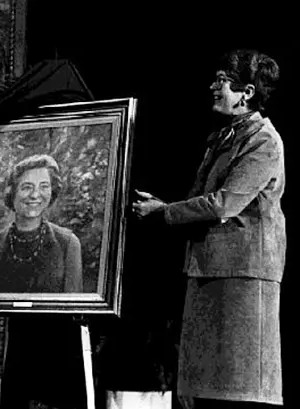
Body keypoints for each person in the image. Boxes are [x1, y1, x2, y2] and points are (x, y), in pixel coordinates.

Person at [133, 49, 285, 409]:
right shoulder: (224, 136)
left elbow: (223, 204)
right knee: (203, 388)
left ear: (246, 91)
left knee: (239, 388)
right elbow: (204, 199)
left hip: (242, 277)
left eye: (221, 80)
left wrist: (164, 212)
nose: (213, 86)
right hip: (208, 268)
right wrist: (165, 208)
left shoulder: (263, 140)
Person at [0, 153, 83, 293]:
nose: (35, 195)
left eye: (44, 186)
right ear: (12, 192)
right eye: (27, 187)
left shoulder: (68, 244)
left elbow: (74, 310)